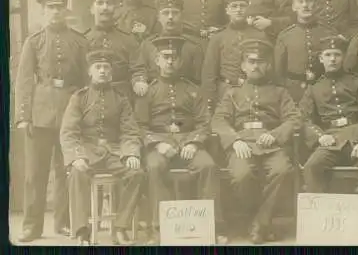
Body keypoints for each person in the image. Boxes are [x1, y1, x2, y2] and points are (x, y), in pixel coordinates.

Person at [134, 36, 227, 245]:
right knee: (154, 166)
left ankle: (212, 226)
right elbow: (139, 126)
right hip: (159, 143)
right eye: (165, 57)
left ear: (180, 61)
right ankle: (159, 228)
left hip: (189, 141)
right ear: (156, 60)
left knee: (208, 166)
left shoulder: (193, 89)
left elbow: (205, 122)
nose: (170, 62)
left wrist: (194, 143)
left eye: (174, 58)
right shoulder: (148, 91)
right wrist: (158, 143)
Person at [14, 0, 87, 242]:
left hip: (70, 111)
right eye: (51, 8)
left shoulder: (79, 41)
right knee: (35, 173)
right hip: (40, 113)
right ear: (43, 11)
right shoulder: (34, 42)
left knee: (65, 170)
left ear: (66, 10)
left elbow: (86, 80)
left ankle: (64, 222)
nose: (56, 12)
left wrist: (83, 114)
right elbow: (24, 81)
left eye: (60, 7)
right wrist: (23, 115)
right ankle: (31, 227)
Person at [211, 39, 301, 244]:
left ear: (268, 65)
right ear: (243, 65)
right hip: (242, 144)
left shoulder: (280, 92)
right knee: (242, 175)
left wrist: (276, 134)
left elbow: (294, 119)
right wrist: (234, 141)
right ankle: (258, 221)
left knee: (283, 170)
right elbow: (218, 120)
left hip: (272, 146)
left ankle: (260, 223)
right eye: (251, 61)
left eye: (260, 62)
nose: (255, 66)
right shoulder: (232, 93)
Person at [60, 49, 144, 246]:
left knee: (137, 173)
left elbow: (130, 131)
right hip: (88, 153)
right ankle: (82, 231)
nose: (103, 71)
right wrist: (77, 156)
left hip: (114, 153)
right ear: (90, 72)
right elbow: (69, 132)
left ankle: (121, 227)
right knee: (76, 172)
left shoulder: (121, 99)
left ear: (112, 73)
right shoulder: (79, 98)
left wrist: (131, 153)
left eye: (106, 67)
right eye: (98, 67)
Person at [300, 35, 358, 194]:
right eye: (328, 55)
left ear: (344, 57)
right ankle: (321, 214)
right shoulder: (314, 88)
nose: (333, 59)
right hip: (330, 140)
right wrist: (320, 136)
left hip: (356, 137)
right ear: (321, 59)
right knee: (311, 167)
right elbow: (304, 118)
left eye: (337, 54)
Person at [202, 0, 271, 113]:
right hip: (225, 92)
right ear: (227, 10)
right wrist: (211, 101)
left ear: (248, 8)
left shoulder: (260, 35)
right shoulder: (218, 38)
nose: (238, 10)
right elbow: (209, 73)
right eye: (234, 6)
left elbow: (269, 70)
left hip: (254, 92)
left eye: (242, 6)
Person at [275, 0, 339, 103]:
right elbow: (279, 75)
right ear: (294, 6)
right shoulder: (285, 36)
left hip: (324, 92)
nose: (305, 5)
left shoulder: (329, 32)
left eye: (309, 0)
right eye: (300, 1)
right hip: (294, 93)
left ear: (316, 4)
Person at [84, 0, 147, 100]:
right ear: (91, 9)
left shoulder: (128, 39)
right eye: (100, 3)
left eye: (109, 3)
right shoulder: (84, 40)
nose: (105, 7)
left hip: (123, 96)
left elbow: (138, 68)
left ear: (115, 8)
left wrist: (139, 81)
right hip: (92, 97)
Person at [135, 0, 204, 86]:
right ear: (158, 17)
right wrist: (140, 81)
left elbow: (198, 80)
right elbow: (140, 70)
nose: (170, 17)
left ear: (182, 16)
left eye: (175, 13)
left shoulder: (193, 46)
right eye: (165, 13)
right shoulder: (147, 45)